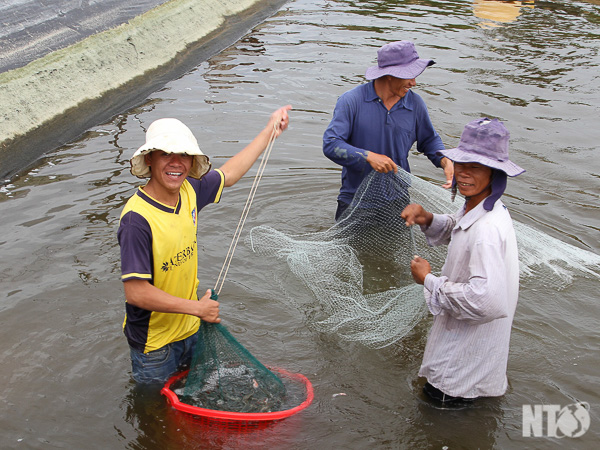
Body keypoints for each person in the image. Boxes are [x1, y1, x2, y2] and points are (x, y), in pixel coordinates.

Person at [117, 106, 291, 384]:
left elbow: (229, 174)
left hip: (191, 330)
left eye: (184, 155)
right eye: (166, 154)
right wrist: (197, 309)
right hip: (155, 346)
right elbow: (136, 293)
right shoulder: (137, 220)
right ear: (149, 159)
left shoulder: (189, 190)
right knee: (152, 410)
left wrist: (270, 131)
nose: (176, 163)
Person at [401, 118, 525, 404]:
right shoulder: (484, 208)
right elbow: (458, 226)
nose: (464, 174)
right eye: (461, 164)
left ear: (495, 173)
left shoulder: (487, 231)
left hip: (457, 374)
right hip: (476, 366)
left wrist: (428, 280)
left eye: (476, 167)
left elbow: (486, 302)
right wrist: (427, 217)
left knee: (434, 423)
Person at [323, 40, 454, 220]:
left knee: (394, 248)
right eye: (409, 75)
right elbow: (331, 144)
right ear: (390, 74)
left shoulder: (415, 104)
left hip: (398, 201)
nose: (414, 83)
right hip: (355, 201)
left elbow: (429, 140)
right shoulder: (351, 101)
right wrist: (368, 156)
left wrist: (445, 161)